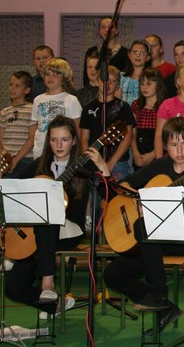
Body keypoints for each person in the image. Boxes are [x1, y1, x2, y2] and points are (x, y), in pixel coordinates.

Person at [105, 117, 184, 333]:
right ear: (164, 146)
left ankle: (159, 294)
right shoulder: (160, 165)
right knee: (112, 275)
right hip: (155, 244)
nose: (179, 150)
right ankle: (166, 309)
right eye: (173, 144)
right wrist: (139, 200)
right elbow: (124, 185)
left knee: (143, 227)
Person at [7, 116, 109, 318]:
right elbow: (14, 190)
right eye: (54, 140)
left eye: (64, 139)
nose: (59, 145)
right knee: (13, 289)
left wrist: (102, 166)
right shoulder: (40, 165)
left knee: (47, 222)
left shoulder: (84, 165)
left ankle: (48, 284)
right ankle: (57, 304)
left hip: (71, 229)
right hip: (40, 234)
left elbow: (109, 193)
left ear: (74, 141)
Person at [79, 65, 135, 180]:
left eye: (113, 81)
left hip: (117, 162)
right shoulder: (88, 108)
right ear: (97, 82)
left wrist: (111, 162)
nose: (108, 84)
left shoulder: (123, 107)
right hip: (93, 162)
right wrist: (90, 159)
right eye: (104, 80)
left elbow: (128, 135)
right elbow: (84, 139)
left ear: (118, 85)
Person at [26, 58, 82, 158]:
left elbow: (78, 131)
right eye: (47, 74)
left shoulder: (71, 100)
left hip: (63, 151)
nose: (50, 77)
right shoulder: (38, 100)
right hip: (40, 152)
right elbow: (33, 130)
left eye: (55, 74)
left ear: (64, 77)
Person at [0, 71, 37, 177]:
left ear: (27, 90)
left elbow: (32, 139)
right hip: (6, 160)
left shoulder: (32, 109)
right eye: (11, 84)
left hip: (25, 159)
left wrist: (16, 160)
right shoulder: (5, 112)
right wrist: (0, 159)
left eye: (17, 86)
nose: (12, 88)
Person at [131, 68, 166, 170]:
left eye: (149, 84)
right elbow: (132, 133)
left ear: (158, 85)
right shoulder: (136, 105)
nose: (144, 87)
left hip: (158, 153)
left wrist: (152, 154)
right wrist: (135, 153)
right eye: (142, 84)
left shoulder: (165, 106)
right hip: (139, 153)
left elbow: (167, 136)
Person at [82, 17, 129, 88]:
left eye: (110, 27)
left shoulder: (126, 53)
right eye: (103, 27)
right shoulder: (91, 51)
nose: (107, 30)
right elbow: (86, 79)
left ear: (117, 31)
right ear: (99, 31)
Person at [119, 39, 151, 105]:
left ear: (148, 57)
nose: (138, 55)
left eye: (142, 53)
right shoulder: (120, 77)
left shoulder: (151, 78)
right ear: (129, 55)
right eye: (135, 52)